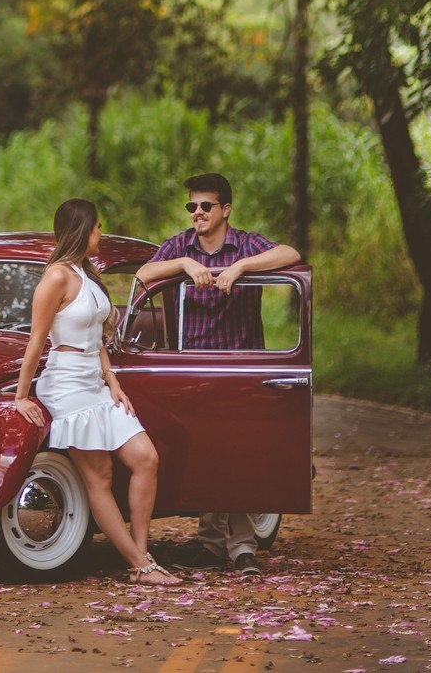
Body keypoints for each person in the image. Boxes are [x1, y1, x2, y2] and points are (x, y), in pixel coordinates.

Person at [137, 172, 301, 576]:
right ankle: (211, 544)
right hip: (193, 369)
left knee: (236, 457)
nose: (197, 213)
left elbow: (291, 255)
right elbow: (142, 275)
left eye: (205, 206)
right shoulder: (180, 245)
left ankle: (242, 547)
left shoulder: (246, 243)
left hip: (239, 368)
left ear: (225, 210)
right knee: (204, 455)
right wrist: (183, 264)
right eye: (191, 206)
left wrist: (241, 267)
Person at [14, 198, 180, 586]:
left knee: (145, 458)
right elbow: (36, 341)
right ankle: (140, 566)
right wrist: (23, 395)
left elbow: (98, 339)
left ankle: (142, 555)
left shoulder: (85, 273)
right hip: (67, 384)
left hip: (95, 383)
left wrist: (114, 383)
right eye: (97, 227)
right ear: (81, 230)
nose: (100, 234)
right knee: (100, 478)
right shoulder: (56, 277)